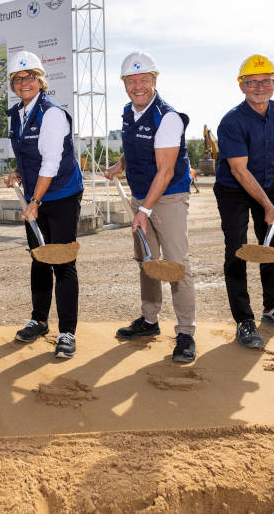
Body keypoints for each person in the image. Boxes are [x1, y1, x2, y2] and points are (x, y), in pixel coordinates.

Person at [105, 51, 198, 362]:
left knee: (175, 264)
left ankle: (185, 332)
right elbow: (135, 147)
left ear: (155, 80)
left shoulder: (167, 117)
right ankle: (149, 320)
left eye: (144, 79)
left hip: (168, 197)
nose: (138, 85)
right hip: (141, 196)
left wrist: (144, 212)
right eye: (131, 81)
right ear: (124, 84)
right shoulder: (129, 113)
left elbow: (166, 170)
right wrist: (120, 165)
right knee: (146, 259)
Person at [214, 54, 274, 350]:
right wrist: (267, 205)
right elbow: (240, 171)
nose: (259, 87)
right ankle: (244, 320)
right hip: (233, 190)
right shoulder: (231, 122)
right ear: (241, 86)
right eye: (251, 82)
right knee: (238, 251)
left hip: (268, 184)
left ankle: (273, 308)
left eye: (265, 81)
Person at [4, 51, 84, 359]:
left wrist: (35, 200)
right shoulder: (17, 114)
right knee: (39, 257)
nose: (24, 83)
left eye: (29, 77)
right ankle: (39, 320)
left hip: (61, 194)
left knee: (62, 261)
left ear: (41, 80)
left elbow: (51, 161)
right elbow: (28, 154)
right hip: (35, 196)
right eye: (18, 79)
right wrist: (18, 173)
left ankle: (67, 332)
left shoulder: (52, 113)